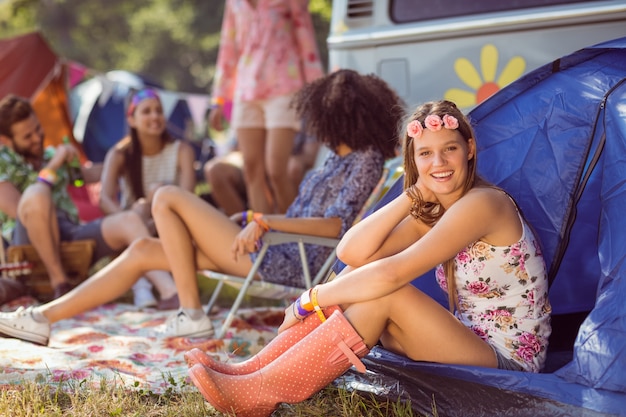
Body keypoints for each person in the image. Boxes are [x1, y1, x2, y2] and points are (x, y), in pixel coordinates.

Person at [183, 100, 553, 417]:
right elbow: (352, 252)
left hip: (509, 366)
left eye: (449, 149)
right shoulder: (437, 208)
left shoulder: (483, 204)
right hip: (467, 341)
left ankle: (262, 392)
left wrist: (309, 300)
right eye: (425, 153)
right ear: (414, 158)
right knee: (361, 279)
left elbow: (392, 273)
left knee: (386, 291)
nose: (438, 162)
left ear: (470, 149)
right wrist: (411, 194)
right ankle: (254, 370)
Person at [0, 69, 404, 343]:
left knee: (167, 196)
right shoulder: (336, 158)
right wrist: (252, 218)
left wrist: (263, 221)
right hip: (273, 244)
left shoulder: (365, 160)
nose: (313, 124)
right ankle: (43, 318)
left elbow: (336, 227)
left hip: (284, 258)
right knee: (142, 250)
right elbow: (307, 215)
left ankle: (190, 311)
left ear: (336, 116)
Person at [0, 95, 169, 300]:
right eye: (28, 136)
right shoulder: (5, 161)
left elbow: (82, 179)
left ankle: (171, 292)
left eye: (38, 129)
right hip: (29, 241)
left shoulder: (48, 154)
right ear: (7, 140)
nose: (37, 138)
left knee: (130, 220)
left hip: (70, 233)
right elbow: (20, 209)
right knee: (37, 195)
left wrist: (119, 159)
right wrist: (54, 165)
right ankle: (60, 284)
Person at [208, 0, 325, 214]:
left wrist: (317, 91)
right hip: (245, 90)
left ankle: (294, 234)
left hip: (284, 87)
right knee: (252, 170)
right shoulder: (235, 3)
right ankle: (262, 237)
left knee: (276, 170)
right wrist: (219, 99)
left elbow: (306, 42)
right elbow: (228, 48)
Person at [99, 88, 196, 309]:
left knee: (157, 194)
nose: (155, 116)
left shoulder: (181, 150)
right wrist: (129, 221)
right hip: (134, 221)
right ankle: (145, 287)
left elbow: (188, 197)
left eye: (159, 111)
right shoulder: (120, 153)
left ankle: (143, 287)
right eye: (147, 111)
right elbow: (104, 198)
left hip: (170, 221)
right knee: (140, 208)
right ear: (132, 119)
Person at [203, 130, 320, 216]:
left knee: (286, 168)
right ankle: (242, 225)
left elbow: (309, 156)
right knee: (214, 169)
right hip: (251, 165)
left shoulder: (302, 107)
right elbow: (234, 148)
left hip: (286, 165)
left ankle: (284, 229)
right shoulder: (251, 100)